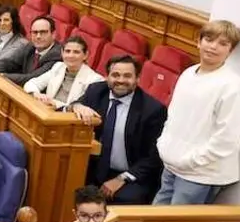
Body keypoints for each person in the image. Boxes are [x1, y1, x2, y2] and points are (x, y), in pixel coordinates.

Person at [153, 19, 240, 205]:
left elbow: (226, 139)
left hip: (200, 174)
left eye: (223, 44)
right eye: (209, 39)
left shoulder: (232, 86)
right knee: (153, 220)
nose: (213, 47)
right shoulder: (189, 73)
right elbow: (174, 116)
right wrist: (164, 146)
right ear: (199, 42)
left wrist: (190, 161)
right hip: (172, 164)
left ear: (231, 51)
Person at [69, 55, 168, 205]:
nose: (121, 80)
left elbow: (154, 157)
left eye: (127, 76)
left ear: (137, 79)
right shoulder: (96, 91)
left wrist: (122, 178)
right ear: (107, 76)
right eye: (115, 75)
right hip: (94, 167)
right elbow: (75, 104)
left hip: (132, 174)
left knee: (125, 199)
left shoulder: (152, 110)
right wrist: (77, 106)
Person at [24, 35, 103, 109]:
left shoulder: (95, 80)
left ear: (85, 55)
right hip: (47, 111)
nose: (71, 55)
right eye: (67, 51)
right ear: (62, 53)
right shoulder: (58, 66)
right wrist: (36, 94)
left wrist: (55, 103)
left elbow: (77, 107)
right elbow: (32, 83)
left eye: (76, 52)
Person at [0, 16, 62, 86]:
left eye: (43, 32)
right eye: (35, 32)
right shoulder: (30, 46)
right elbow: (11, 62)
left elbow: (31, 78)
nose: (38, 36)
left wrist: (2, 75)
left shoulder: (57, 55)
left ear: (53, 34)